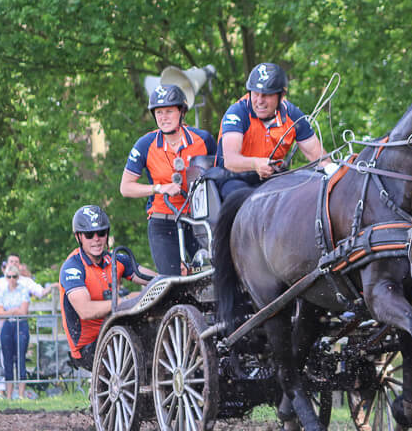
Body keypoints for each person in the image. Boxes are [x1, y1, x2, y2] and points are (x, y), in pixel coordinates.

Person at [120, 84, 217, 275]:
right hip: (162, 221)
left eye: (169, 111)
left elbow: (219, 178)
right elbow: (126, 187)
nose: (163, 117)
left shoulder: (203, 140)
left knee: (210, 275)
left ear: (181, 111)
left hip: (198, 221)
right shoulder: (145, 144)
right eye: (159, 112)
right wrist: (158, 188)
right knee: (171, 282)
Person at [216, 62, 330, 198]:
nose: (259, 101)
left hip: (273, 179)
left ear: (281, 96)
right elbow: (230, 160)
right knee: (247, 199)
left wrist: (333, 170)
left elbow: (320, 158)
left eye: (266, 95)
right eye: (255, 94)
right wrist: (255, 164)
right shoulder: (237, 113)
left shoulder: (293, 116)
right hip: (234, 179)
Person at [59, 205, 153, 371]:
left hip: (118, 332)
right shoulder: (72, 267)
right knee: (138, 341)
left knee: (153, 329)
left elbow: (154, 279)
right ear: (78, 237)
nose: (96, 239)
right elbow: (85, 310)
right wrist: (126, 301)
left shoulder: (116, 259)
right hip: (89, 347)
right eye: (89, 235)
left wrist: (175, 278)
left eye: (101, 233)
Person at [0, 261, 34, 399]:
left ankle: (22, 394)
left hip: (20, 324)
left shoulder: (23, 290)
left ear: (18, 277)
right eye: (9, 276)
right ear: (6, 277)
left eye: (14, 276)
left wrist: (8, 311)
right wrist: (12, 311)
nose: (12, 279)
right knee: (7, 359)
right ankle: (9, 395)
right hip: (8, 325)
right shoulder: (3, 292)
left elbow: (23, 311)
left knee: (20, 358)